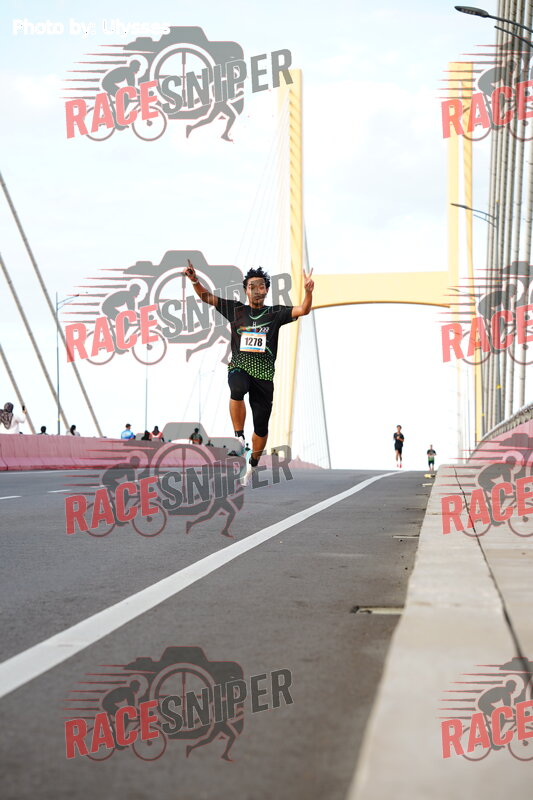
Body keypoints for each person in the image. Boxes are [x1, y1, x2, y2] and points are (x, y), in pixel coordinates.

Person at [184, 258, 314, 484]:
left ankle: (253, 463)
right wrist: (195, 280)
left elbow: (303, 309)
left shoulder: (276, 313)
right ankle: (239, 436)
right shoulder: (235, 309)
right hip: (240, 366)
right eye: (252, 286)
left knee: (261, 428)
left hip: (264, 375)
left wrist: (308, 292)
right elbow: (207, 297)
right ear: (245, 290)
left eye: (261, 286)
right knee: (237, 388)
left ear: (266, 290)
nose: (256, 290)